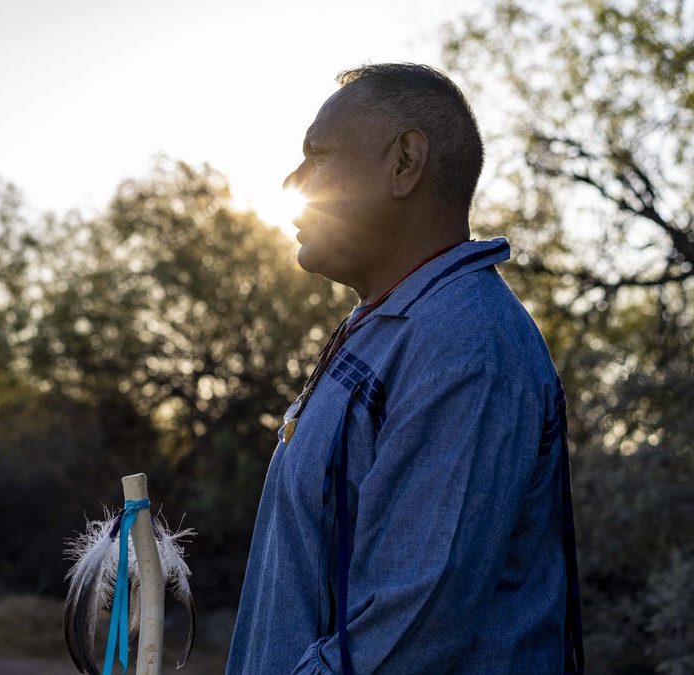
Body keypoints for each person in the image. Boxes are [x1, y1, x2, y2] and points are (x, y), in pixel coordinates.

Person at [226, 63, 584, 674]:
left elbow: (405, 638)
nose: (293, 181)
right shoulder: (395, 325)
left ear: (404, 164)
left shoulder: (465, 345)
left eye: (319, 155)